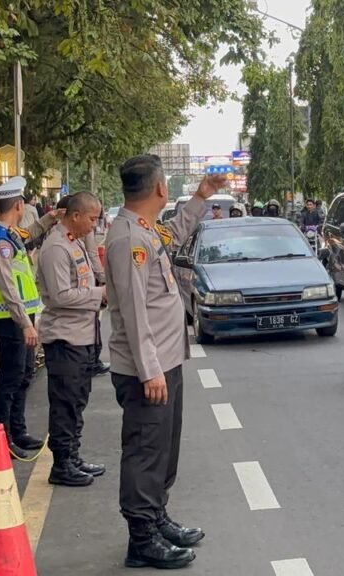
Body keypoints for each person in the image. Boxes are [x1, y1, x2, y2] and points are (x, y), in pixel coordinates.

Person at [105, 154, 226, 569]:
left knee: (163, 448)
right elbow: (134, 311)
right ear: (159, 188)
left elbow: (171, 236)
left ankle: (156, 517)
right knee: (144, 450)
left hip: (164, 361)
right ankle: (141, 538)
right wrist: (149, 368)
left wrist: (200, 197)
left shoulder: (143, 231)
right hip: (147, 368)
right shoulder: (127, 239)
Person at [37, 192, 107, 486]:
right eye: (92, 218)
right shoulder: (56, 247)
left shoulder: (74, 242)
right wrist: (99, 295)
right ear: (75, 216)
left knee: (77, 401)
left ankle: (73, 456)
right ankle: (62, 464)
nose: (94, 225)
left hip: (82, 335)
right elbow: (60, 295)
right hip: (65, 339)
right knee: (65, 403)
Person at [0, 176, 55, 458]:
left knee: (24, 374)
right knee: (11, 378)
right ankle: (2, 439)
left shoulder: (10, 233)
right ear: (18, 205)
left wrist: (50, 217)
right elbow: (7, 287)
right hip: (10, 320)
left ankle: (18, 429)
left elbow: (31, 231)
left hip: (22, 318)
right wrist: (26, 324)